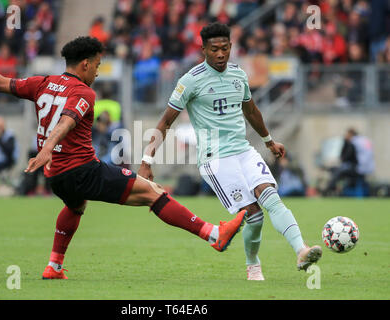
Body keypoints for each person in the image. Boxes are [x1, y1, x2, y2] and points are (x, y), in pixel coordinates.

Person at [0, 34, 246, 280]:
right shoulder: (84, 93)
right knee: (153, 192)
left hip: (55, 176)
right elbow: (67, 120)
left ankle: (54, 266)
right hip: (82, 170)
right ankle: (212, 234)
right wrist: (47, 147)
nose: (97, 72)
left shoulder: (42, 83)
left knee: (76, 204)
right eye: (97, 66)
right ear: (85, 64)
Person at [138, 22, 322, 281]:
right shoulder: (190, 80)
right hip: (216, 159)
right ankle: (253, 265)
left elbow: (251, 110)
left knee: (270, 195)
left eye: (225, 48)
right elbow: (165, 122)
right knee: (254, 215)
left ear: (231, 46)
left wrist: (269, 141)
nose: (221, 54)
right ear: (203, 49)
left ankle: (301, 250)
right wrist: (147, 160)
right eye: (215, 49)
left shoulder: (238, 75)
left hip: (244, 151)